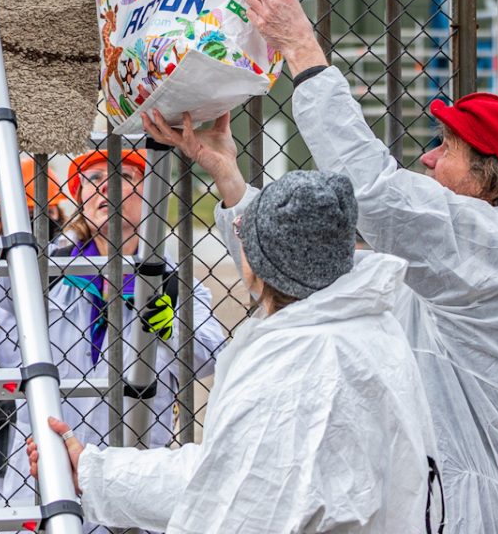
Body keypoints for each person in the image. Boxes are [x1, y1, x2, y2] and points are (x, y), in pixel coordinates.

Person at [147, 0, 498, 534]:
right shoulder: (457, 255)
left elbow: (375, 192)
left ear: (489, 178)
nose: (428, 159)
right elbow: (305, 278)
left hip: (449, 507)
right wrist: (229, 176)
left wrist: (302, 51)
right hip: (417, 496)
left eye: (447, 148)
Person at [29, 171, 437, 533]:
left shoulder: (292, 362)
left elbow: (223, 489)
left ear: (258, 266)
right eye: (96, 180)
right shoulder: (369, 328)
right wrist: (94, 472)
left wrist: (92, 472)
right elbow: (228, 472)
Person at [0, 146, 225, 507]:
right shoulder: (48, 271)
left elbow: (211, 356)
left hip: (130, 474)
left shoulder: (175, 282)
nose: (107, 188)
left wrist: (171, 331)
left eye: (125, 178)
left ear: (149, 196)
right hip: (42, 472)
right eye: (94, 180)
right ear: (80, 199)